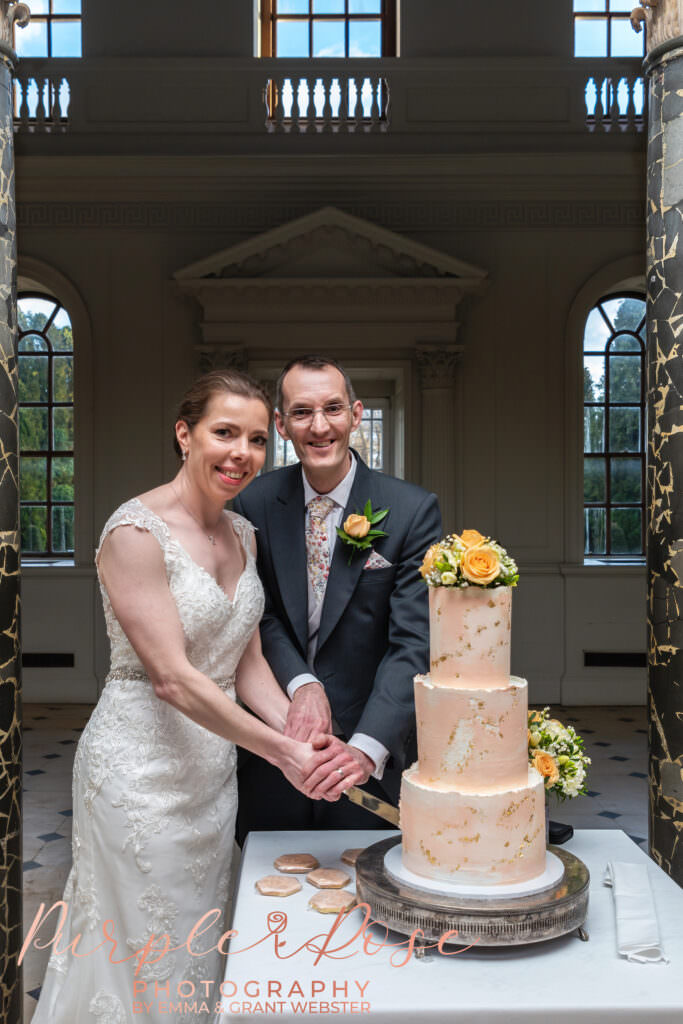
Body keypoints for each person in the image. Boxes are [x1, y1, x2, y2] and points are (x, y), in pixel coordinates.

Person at [32, 370, 354, 1024]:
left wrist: (298, 736)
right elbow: (173, 678)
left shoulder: (243, 535)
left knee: (197, 947)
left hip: (211, 776)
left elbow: (248, 660)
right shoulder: (134, 534)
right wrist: (279, 753)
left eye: (258, 439)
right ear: (185, 434)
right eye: (224, 432)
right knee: (143, 956)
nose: (241, 452)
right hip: (137, 776)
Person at [234, 355, 442, 841]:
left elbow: (413, 641)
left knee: (364, 899)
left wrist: (366, 750)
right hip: (275, 744)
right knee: (271, 897)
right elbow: (257, 614)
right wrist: (302, 684)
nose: (319, 426)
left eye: (332, 408)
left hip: (369, 752)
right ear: (282, 425)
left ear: (356, 413)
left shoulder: (412, 510)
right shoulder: (252, 504)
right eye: (302, 412)